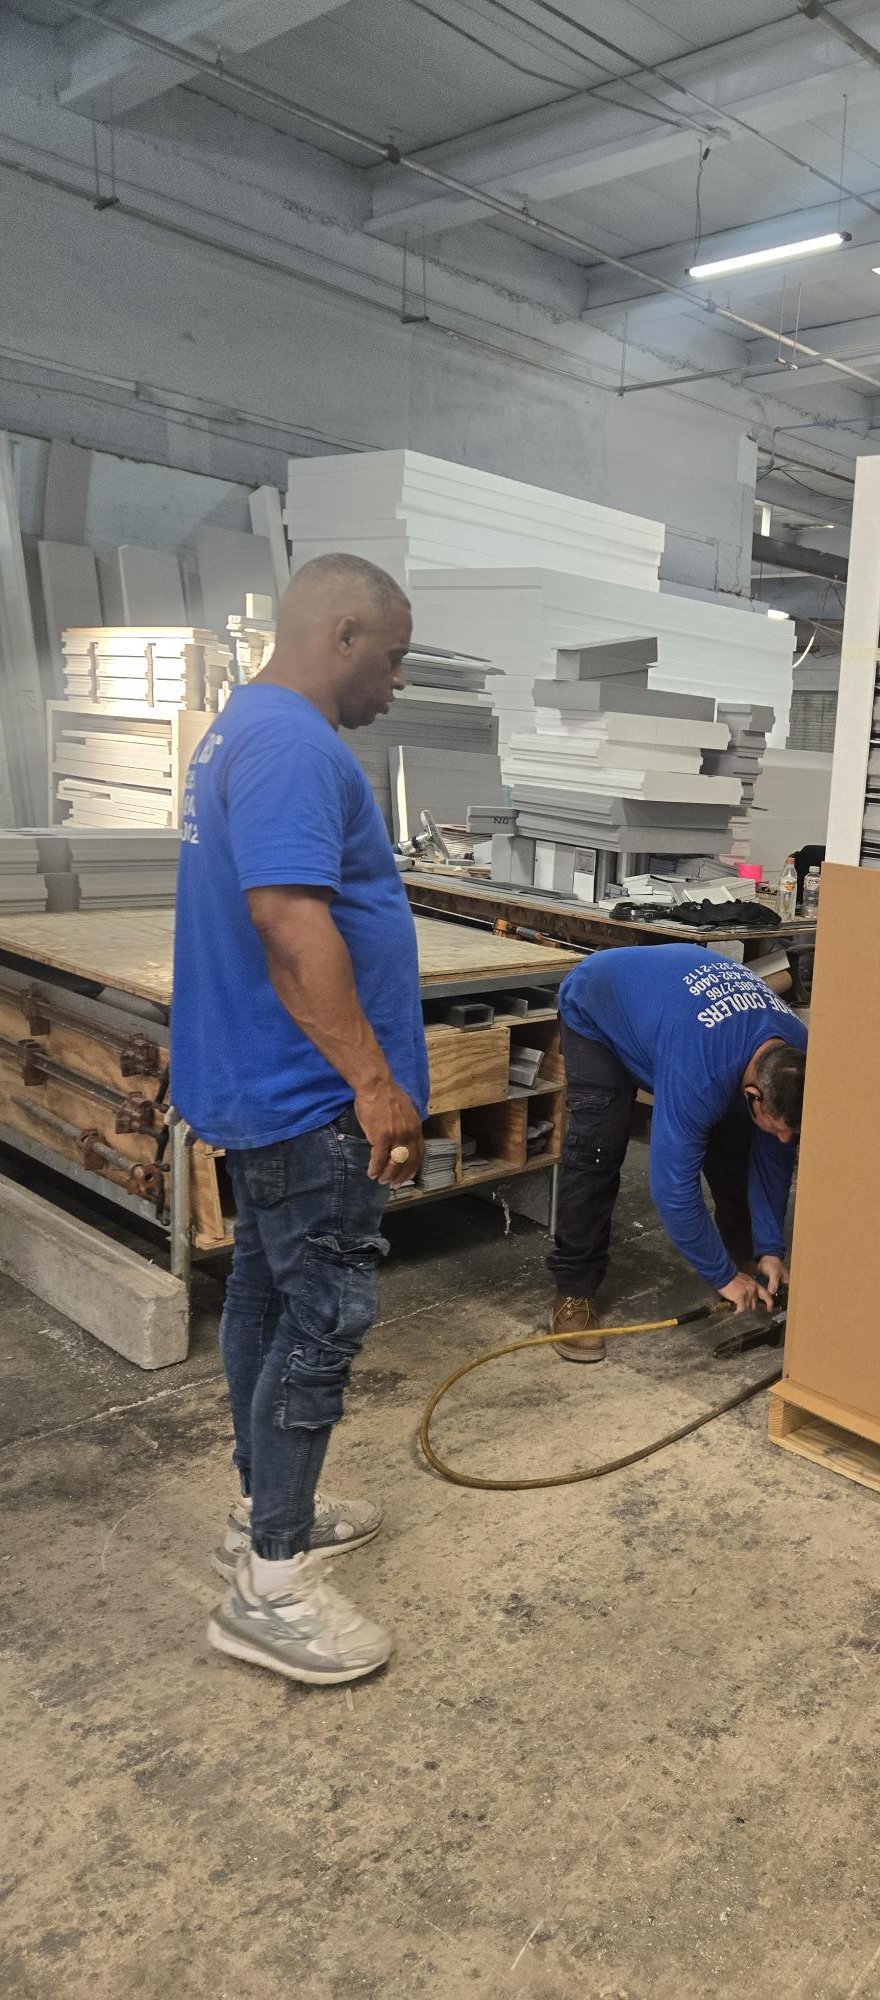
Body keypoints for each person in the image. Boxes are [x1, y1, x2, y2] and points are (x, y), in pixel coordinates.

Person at [171, 552, 427, 1686]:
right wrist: (374, 1084)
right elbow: (287, 922)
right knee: (322, 1319)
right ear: (342, 633)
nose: (400, 681)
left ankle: (268, 1509)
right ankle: (271, 1586)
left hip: (273, 1085)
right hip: (308, 1094)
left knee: (269, 1303)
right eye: (395, 655)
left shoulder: (245, 729)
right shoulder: (287, 741)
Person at [547, 944, 808, 1360]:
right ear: (754, 1094)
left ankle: (747, 1260)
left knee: (739, 1142)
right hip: (599, 1005)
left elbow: (773, 1160)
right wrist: (719, 1276)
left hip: (674, 1016)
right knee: (597, 1149)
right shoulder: (701, 1071)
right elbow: (671, 1188)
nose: (783, 1139)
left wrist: (769, 1248)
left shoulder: (797, 1051)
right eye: (778, 1129)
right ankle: (574, 1290)